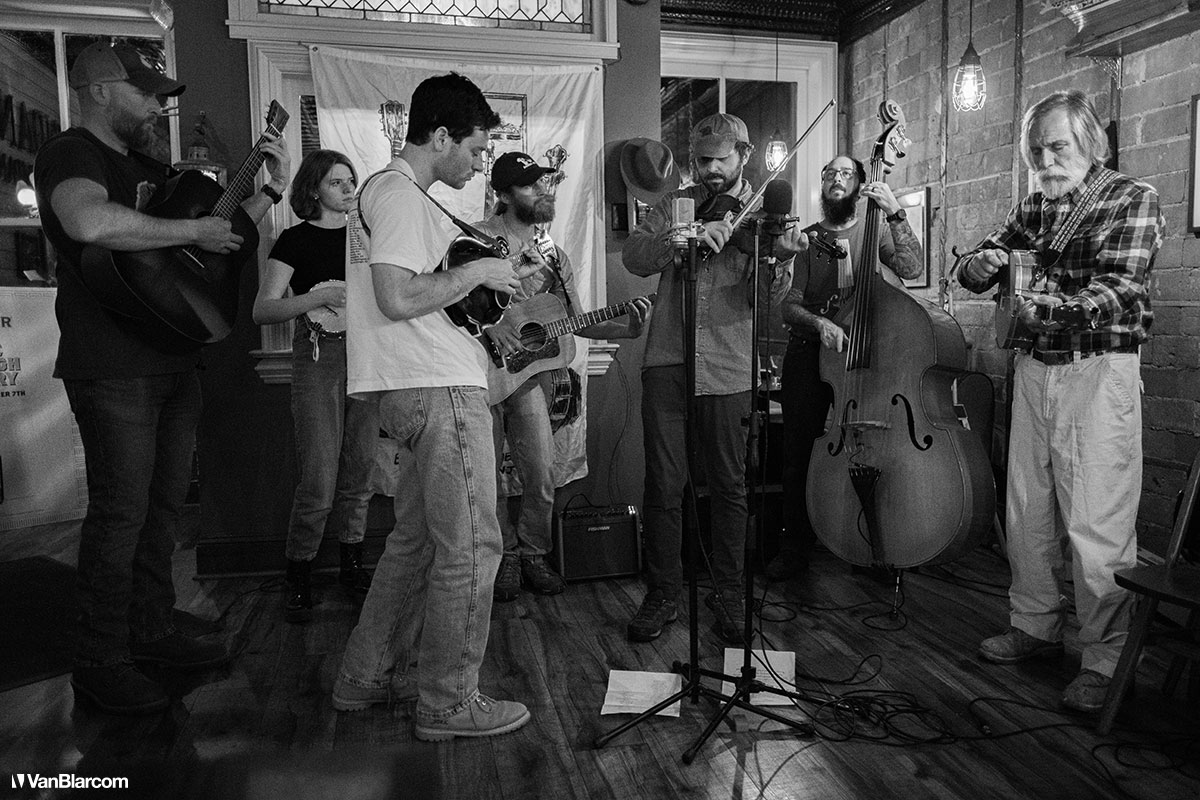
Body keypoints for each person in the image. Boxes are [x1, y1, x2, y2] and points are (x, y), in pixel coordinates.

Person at [34, 41, 290, 715]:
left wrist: (268, 193)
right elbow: (87, 220)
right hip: (112, 365)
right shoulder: (72, 154)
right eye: (145, 94)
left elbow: (214, 235)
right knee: (121, 514)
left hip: (174, 357)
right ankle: (99, 661)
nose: (158, 107)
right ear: (99, 92)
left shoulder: (148, 165)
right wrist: (190, 234)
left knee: (163, 509)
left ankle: (150, 630)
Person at [331, 73, 535, 741]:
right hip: (439, 390)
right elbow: (395, 297)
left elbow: (423, 297)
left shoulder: (396, 195)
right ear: (441, 136)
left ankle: (364, 676)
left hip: (414, 386)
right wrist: (478, 271)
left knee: (416, 543)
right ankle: (449, 703)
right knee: (473, 547)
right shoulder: (397, 194)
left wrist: (487, 294)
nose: (479, 164)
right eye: (474, 149)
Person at [958, 90, 1163, 713]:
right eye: (1036, 150)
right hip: (1034, 368)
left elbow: (1122, 286)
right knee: (1027, 508)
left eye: (1057, 147)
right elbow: (975, 265)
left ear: (1090, 143)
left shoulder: (1131, 197)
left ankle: (1105, 659)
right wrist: (981, 264)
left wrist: (1055, 310)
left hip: (1098, 369)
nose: (1046, 161)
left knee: (1097, 520)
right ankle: (1035, 625)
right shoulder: (1034, 205)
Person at [622, 114, 807, 644]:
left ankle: (729, 592)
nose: (710, 170)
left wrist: (776, 260)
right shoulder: (674, 204)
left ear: (743, 155)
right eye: (702, 161)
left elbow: (763, 301)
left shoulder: (764, 218)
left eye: (721, 159)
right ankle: (663, 592)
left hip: (728, 366)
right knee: (663, 485)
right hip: (667, 361)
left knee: (729, 487)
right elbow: (635, 256)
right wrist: (686, 235)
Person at [474, 151, 650, 601]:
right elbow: (458, 306)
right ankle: (504, 557)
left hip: (528, 379)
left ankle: (534, 553)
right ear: (503, 195)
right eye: (529, 184)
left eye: (543, 182)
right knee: (486, 477)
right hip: (479, 372)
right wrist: (494, 326)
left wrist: (626, 329)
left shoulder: (553, 255)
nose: (542, 190)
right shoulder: (475, 239)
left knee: (541, 471)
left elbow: (574, 320)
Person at [769, 155, 924, 580]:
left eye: (845, 173)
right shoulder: (806, 239)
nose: (836, 179)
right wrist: (820, 323)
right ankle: (795, 550)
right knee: (798, 454)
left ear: (859, 184)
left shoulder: (875, 231)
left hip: (869, 358)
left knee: (873, 451)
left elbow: (912, 269)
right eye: (829, 174)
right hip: (810, 354)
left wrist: (895, 212)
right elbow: (789, 306)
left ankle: (872, 546)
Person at [251, 149, 377, 623]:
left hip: (367, 357)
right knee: (319, 477)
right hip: (319, 357)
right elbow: (263, 310)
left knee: (360, 470)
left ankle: (352, 564)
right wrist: (316, 297)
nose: (348, 189)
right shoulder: (294, 239)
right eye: (336, 182)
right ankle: (299, 572)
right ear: (313, 190)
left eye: (351, 181)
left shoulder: (367, 238)